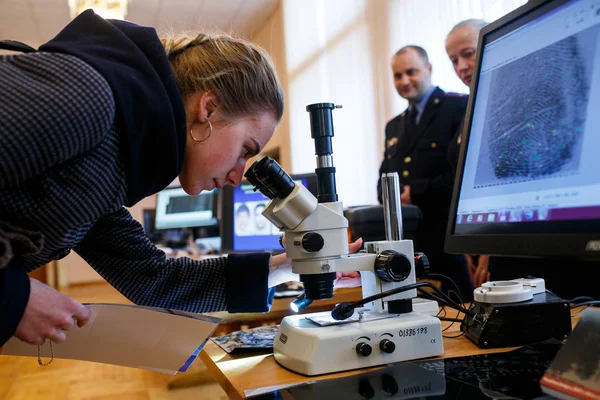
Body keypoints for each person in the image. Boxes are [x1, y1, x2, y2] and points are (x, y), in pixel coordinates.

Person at [0, 10, 362, 348]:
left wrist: (285, 267)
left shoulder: (112, 172)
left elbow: (154, 280)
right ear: (208, 109)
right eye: (244, 149)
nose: (239, 176)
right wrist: (15, 297)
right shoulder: (86, 96)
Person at [378, 45, 473, 301]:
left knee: (457, 315)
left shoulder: (459, 106)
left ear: (429, 69)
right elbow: (383, 181)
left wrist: (416, 192)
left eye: (411, 72)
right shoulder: (394, 126)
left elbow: (462, 176)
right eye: (398, 75)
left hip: (447, 242)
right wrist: (392, 196)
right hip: (409, 245)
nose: (404, 81)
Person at [445, 19, 491, 289]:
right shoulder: (470, 108)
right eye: (453, 60)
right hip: (472, 238)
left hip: (502, 242)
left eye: (468, 53)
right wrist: (464, 242)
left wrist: (490, 250)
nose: (461, 67)